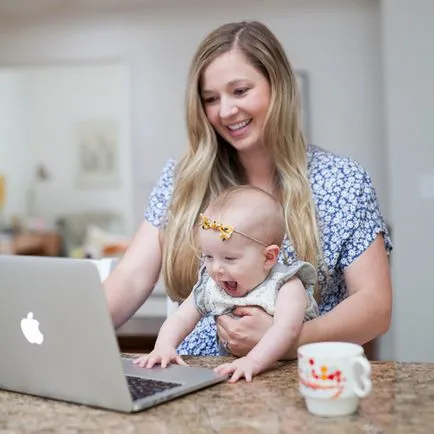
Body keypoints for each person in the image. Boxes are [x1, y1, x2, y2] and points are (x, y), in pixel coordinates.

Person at [103, 20, 392, 359]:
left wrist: (283, 339)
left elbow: (375, 306)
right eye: (211, 99)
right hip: (193, 381)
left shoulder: (343, 181)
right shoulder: (183, 179)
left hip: (298, 380)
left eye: (240, 91)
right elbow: (131, 278)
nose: (225, 111)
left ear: (278, 87)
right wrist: (67, 327)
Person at [133, 186, 318, 382]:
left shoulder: (286, 285)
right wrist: (164, 346)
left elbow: (285, 329)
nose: (216, 269)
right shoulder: (212, 285)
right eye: (209, 256)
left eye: (229, 258)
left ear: (268, 257)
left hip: (289, 374)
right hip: (235, 371)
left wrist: (253, 361)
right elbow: (180, 318)